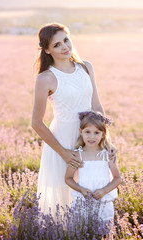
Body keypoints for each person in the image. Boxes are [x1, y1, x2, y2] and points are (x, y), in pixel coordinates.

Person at [31, 23, 117, 217]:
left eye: (66, 40)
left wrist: (106, 142)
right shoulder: (46, 78)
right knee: (64, 193)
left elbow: (96, 107)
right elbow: (36, 122)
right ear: (46, 50)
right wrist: (64, 153)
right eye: (57, 45)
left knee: (92, 187)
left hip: (91, 138)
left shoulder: (86, 67)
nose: (65, 47)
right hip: (63, 139)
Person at [65, 111, 122, 225]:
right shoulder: (77, 155)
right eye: (88, 132)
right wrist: (80, 189)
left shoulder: (107, 155)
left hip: (103, 203)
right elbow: (68, 178)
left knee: (104, 231)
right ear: (81, 132)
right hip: (82, 204)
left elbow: (117, 178)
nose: (91, 136)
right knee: (82, 230)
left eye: (96, 132)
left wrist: (104, 190)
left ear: (103, 134)